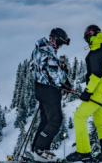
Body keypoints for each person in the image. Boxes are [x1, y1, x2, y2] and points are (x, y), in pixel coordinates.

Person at [66, 25, 102, 163]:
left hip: (98, 91)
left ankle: (83, 152)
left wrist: (88, 92)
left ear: (89, 36)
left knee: (79, 116)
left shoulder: (96, 50)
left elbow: (96, 75)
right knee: (100, 121)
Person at [29, 28, 72, 162]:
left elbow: (31, 67)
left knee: (46, 120)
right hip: (49, 91)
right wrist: (64, 71)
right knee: (56, 120)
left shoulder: (38, 49)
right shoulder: (48, 53)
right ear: (55, 40)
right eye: (59, 43)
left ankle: (36, 148)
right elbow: (57, 77)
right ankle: (40, 150)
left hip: (40, 88)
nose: (59, 47)